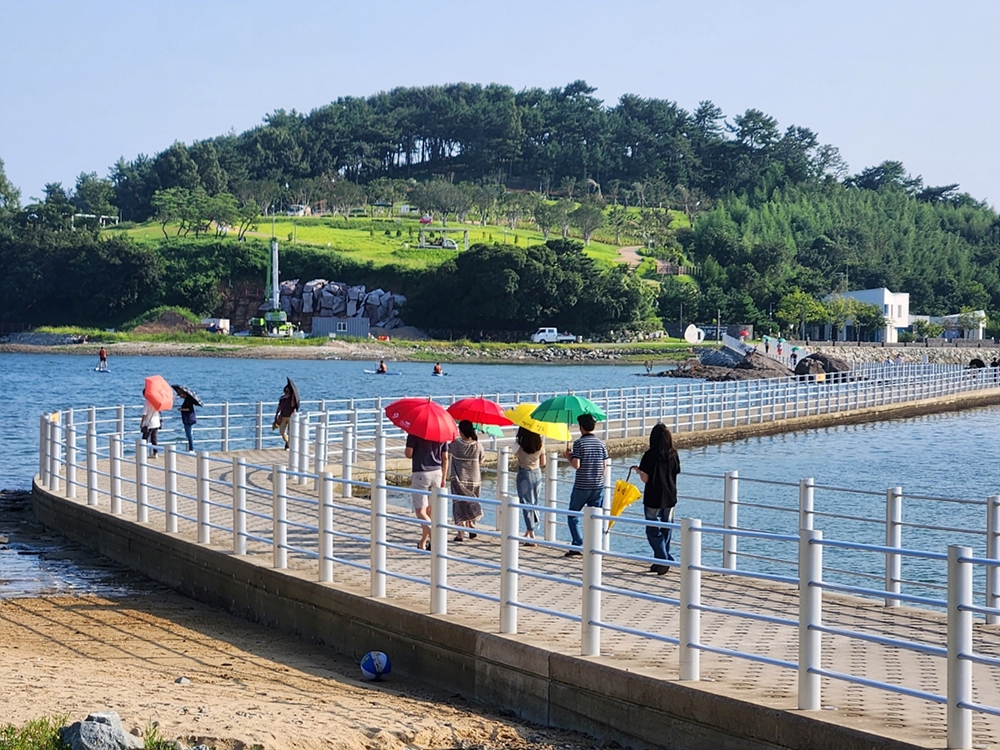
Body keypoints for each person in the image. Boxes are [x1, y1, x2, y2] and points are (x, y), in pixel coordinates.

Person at [633, 423, 681, 575]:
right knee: (667, 527)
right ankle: (660, 561)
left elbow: (646, 479)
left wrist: (639, 471)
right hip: (670, 495)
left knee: (652, 529)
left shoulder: (650, 455)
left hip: (653, 495)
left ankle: (663, 558)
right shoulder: (673, 454)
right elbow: (676, 472)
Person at [563, 413, 608, 557]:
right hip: (598, 486)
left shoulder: (579, 443)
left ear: (581, 427)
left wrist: (568, 456)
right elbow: (604, 467)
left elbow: (576, 465)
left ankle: (577, 544)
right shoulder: (601, 444)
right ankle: (595, 545)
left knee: (573, 515)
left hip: (582, 486)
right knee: (595, 517)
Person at [405, 432, 449, 551]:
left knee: (420, 511)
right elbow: (445, 457)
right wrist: (444, 478)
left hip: (421, 472)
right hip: (438, 473)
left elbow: (409, 453)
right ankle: (423, 542)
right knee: (430, 511)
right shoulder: (441, 432)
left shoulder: (415, 433)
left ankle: (435, 536)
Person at [448, 420, 484, 542]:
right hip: (474, 479)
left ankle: (460, 533)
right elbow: (481, 460)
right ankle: (471, 525)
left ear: (461, 431)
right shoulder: (478, 445)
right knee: (471, 502)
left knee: (458, 504)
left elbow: (447, 450)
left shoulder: (456, 444)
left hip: (459, 479)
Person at [515, 426, 546, 544]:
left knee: (526, 503)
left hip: (524, 474)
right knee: (535, 502)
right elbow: (543, 463)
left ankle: (531, 531)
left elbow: (515, 454)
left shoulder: (519, 445)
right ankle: (530, 530)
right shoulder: (540, 445)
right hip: (537, 474)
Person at [273, 383, 297, 450]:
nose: (286, 393)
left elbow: (292, 405)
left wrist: (292, 397)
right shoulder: (282, 398)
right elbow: (279, 406)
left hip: (291, 416)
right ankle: (287, 441)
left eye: (287, 391)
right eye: (285, 391)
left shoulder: (292, 398)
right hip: (283, 416)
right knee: (282, 431)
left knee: (291, 431)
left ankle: (288, 445)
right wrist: (276, 414)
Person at [139, 391, 161, 458]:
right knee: (154, 438)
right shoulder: (156, 401)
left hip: (149, 423)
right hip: (156, 422)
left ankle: (142, 454)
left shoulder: (147, 403)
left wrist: (141, 423)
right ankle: (155, 453)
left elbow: (144, 414)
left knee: (144, 439)